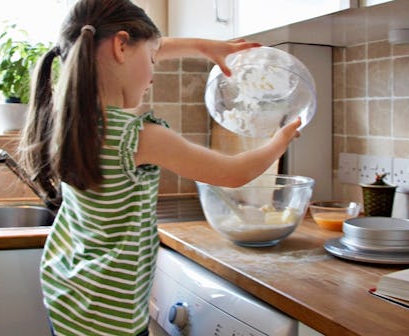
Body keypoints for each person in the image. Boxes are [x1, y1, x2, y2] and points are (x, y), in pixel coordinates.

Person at [19, 0, 302, 335]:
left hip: (68, 295)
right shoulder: (139, 137)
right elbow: (233, 173)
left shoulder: (69, 122)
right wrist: (280, 140)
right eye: (153, 60)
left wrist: (203, 47)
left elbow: (128, 45)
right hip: (110, 318)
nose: (153, 74)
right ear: (120, 46)